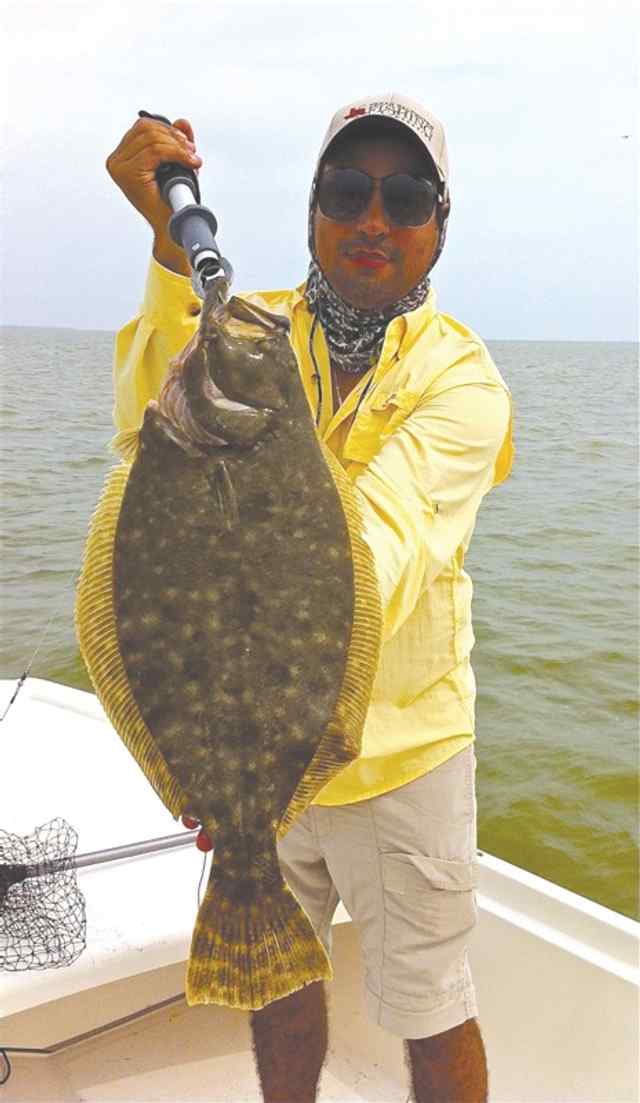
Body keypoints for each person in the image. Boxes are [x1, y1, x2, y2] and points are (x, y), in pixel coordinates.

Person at [107, 92, 513, 1103]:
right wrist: (168, 250)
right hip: (249, 737)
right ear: (313, 208)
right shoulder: (247, 334)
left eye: (403, 195)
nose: (372, 217)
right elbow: (145, 438)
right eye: (346, 188)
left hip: (400, 762)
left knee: (429, 1005)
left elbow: (370, 557)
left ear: (437, 226)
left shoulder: (461, 380)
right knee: (277, 976)